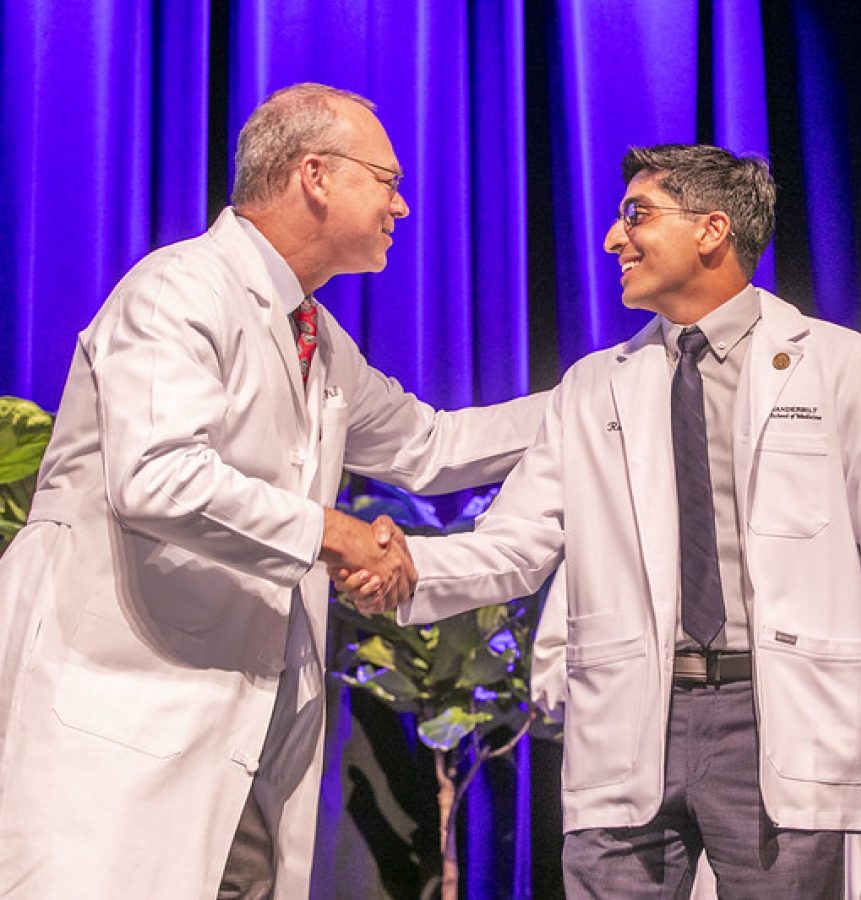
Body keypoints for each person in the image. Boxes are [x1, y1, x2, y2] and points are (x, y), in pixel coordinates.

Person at [346, 144, 861, 897]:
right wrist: (407, 567)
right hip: (631, 718)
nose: (614, 239)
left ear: (712, 230)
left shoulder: (839, 366)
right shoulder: (593, 387)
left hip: (776, 716)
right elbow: (516, 546)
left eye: (636, 216)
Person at [0, 82, 546, 898]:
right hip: (118, 704)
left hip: (236, 723)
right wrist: (335, 533)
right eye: (387, 181)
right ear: (316, 175)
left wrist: (602, 397)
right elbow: (157, 478)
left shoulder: (315, 335)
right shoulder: (178, 289)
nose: (402, 206)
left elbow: (430, 446)